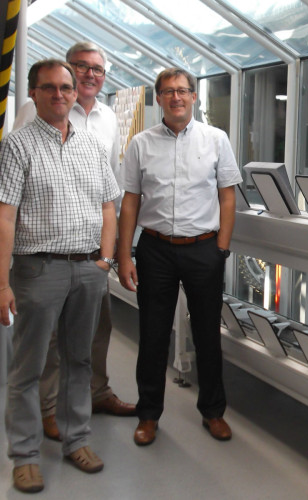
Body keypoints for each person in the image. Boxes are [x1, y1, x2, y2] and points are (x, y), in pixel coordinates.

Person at [0, 59, 120, 493]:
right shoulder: (18, 146)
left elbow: (109, 205)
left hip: (87, 269)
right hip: (38, 269)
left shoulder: (90, 145)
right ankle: (25, 456)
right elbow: (6, 217)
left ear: (76, 93)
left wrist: (104, 261)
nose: (60, 94)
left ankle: (76, 440)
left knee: (79, 361)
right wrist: (2, 283)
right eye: (49, 88)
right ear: (33, 93)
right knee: (28, 367)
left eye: (66, 87)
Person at [13, 42, 135, 443]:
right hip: (45, 256)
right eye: (81, 67)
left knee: (97, 330)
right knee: (48, 339)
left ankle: (96, 393)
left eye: (97, 69)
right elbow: (16, 189)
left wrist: (108, 257)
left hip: (90, 256)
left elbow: (110, 197)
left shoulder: (107, 119)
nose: (89, 75)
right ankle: (49, 409)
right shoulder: (36, 112)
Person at [117, 67, 242, 446]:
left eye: (183, 91)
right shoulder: (141, 143)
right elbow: (130, 201)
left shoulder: (216, 139)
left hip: (204, 249)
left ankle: (213, 412)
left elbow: (227, 195)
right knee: (153, 334)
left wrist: (221, 247)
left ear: (194, 97)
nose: (176, 97)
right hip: (155, 250)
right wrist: (124, 255)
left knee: (207, 335)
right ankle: (149, 415)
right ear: (158, 98)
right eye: (168, 91)